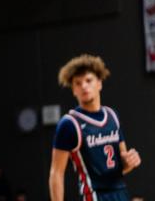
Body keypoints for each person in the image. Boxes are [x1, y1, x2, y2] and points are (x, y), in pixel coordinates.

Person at [49, 54, 142, 201]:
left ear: (99, 83)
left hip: (121, 192)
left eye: (88, 80)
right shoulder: (69, 124)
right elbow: (56, 173)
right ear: (73, 90)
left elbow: (123, 167)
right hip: (94, 195)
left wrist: (131, 160)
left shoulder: (112, 116)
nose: (84, 86)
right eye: (78, 83)